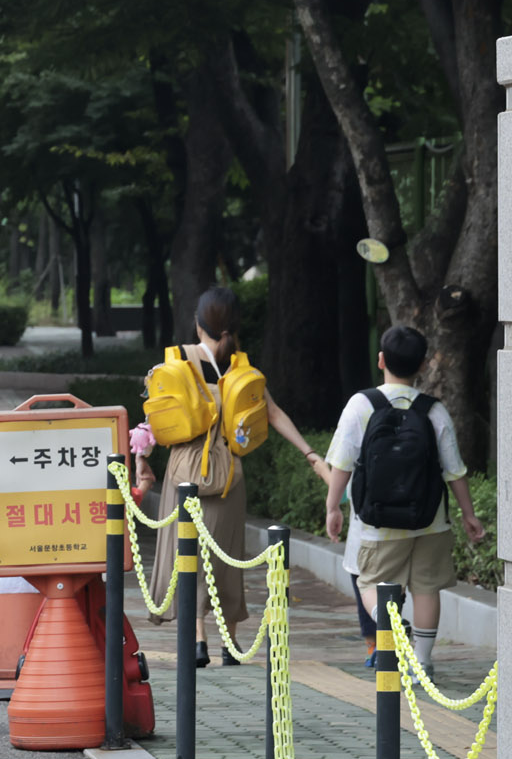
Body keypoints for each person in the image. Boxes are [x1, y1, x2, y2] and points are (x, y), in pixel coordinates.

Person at [146, 286, 327, 666]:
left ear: (198, 326)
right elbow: (274, 414)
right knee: (226, 557)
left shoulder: (176, 362)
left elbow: (154, 419)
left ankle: (197, 641)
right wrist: (311, 454)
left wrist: (142, 462)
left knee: (189, 553)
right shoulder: (240, 368)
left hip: (184, 471)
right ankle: (230, 642)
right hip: (229, 474)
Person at [322, 323, 486, 675]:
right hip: (429, 519)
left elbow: (341, 463)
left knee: (369, 583)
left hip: (376, 523)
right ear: (423, 365)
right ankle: (423, 662)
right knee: (427, 588)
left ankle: (394, 626)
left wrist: (333, 506)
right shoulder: (434, 409)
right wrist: (469, 515)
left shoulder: (361, 405)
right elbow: (454, 470)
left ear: (381, 360)